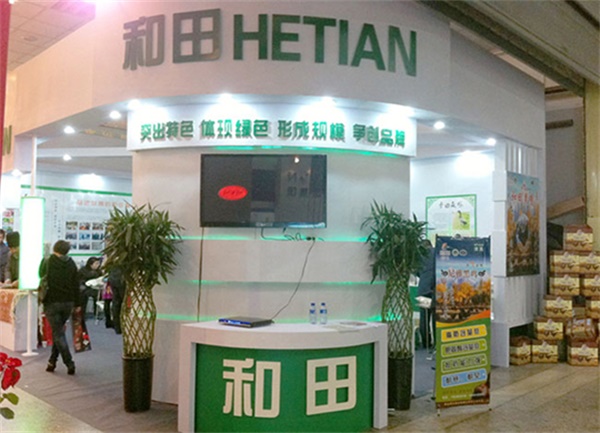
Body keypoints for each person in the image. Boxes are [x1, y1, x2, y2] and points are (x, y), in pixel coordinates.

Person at [39, 240, 80, 375]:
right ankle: (52, 362)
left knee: (58, 333)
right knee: (58, 332)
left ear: (54, 248)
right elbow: (76, 284)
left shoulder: (48, 261)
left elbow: (40, 275)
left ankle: (69, 362)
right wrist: (78, 304)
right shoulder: (71, 263)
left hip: (52, 301)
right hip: (68, 302)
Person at [417, 239, 436, 349]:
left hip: (424, 290)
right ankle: (437, 343)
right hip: (435, 290)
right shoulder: (436, 253)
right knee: (435, 317)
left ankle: (426, 343)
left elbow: (417, 272)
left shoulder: (419, 255)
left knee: (424, 318)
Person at [108, 267, 125, 335]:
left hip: (113, 275)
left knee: (116, 302)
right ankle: (123, 325)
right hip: (122, 277)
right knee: (124, 301)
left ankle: (117, 327)